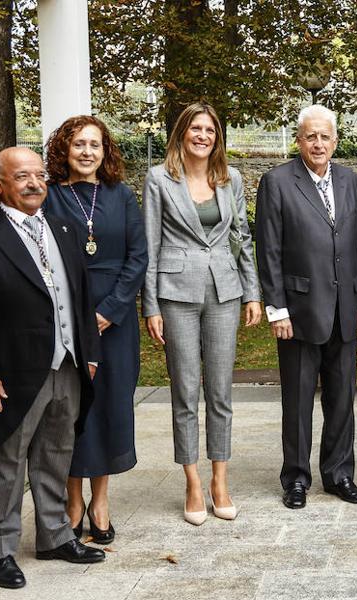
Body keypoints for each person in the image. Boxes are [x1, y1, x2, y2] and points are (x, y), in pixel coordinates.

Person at [0, 147, 105, 589]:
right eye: (22, 176)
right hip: (12, 373)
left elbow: (81, 295)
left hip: (68, 362)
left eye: (39, 175)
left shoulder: (65, 228)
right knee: (7, 460)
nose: (35, 183)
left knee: (57, 454)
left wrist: (88, 352)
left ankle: (54, 535)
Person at [142, 103, 263, 524]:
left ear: (218, 137)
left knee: (221, 391)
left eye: (210, 130)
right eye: (196, 128)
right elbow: (150, 244)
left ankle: (220, 479)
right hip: (175, 292)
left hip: (225, 291)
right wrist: (151, 305)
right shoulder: (159, 178)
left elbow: (241, 238)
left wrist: (253, 293)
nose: (203, 135)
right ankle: (192, 481)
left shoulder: (231, 180)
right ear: (182, 133)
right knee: (186, 388)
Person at [255, 104, 357, 509]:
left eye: (324, 136)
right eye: (310, 136)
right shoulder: (277, 182)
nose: (318, 143)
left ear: (335, 141)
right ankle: (296, 479)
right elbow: (267, 249)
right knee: (299, 400)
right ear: (298, 140)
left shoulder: (351, 181)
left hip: (344, 308)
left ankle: (339, 474)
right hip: (299, 310)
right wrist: (276, 308)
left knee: (342, 398)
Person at [43, 115, 147, 545]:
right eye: (79, 144)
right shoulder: (49, 197)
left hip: (115, 320)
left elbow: (138, 256)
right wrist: (79, 317)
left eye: (95, 145)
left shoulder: (121, 196)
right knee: (72, 411)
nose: (87, 152)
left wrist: (111, 309)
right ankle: (72, 501)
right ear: (64, 150)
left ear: (106, 152)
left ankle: (100, 500)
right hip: (66, 317)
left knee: (108, 406)